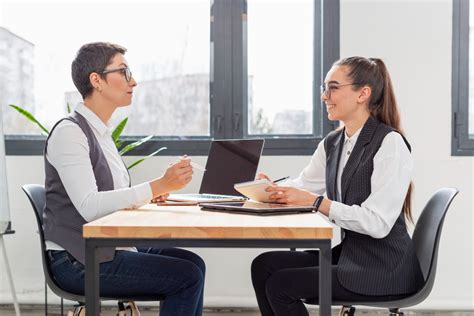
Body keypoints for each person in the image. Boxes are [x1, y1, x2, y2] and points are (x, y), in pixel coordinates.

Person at [251, 56, 424, 316]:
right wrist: (268, 190)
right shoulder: (333, 142)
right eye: (324, 88)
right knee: (263, 266)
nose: (324, 96)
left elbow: (376, 223)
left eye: (333, 87)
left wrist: (316, 203)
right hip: (352, 256)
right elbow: (304, 185)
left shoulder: (390, 144)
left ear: (362, 94)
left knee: (280, 285)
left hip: (383, 268)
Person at [43, 42, 205, 316]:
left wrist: (154, 193)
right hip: (75, 261)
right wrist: (158, 185)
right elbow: (90, 206)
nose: (134, 81)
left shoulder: (100, 135)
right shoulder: (70, 134)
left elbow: (111, 199)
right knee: (186, 276)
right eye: (124, 71)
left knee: (192, 263)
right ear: (97, 80)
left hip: (102, 248)